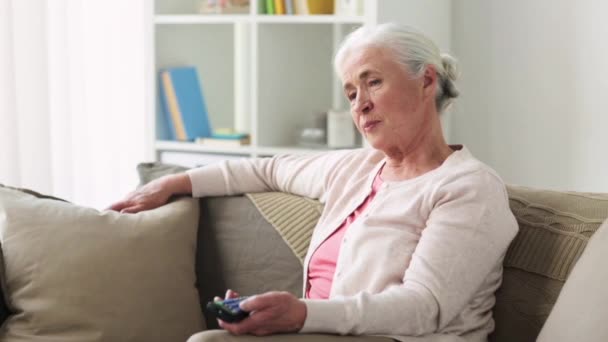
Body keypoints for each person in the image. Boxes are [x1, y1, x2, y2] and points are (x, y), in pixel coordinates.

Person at [110, 23, 518, 342]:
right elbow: (266, 169)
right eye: (351, 92)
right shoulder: (356, 169)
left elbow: (424, 306)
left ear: (427, 81)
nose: (361, 104)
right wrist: (174, 184)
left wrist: (301, 314)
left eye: (373, 81)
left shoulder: (468, 189)